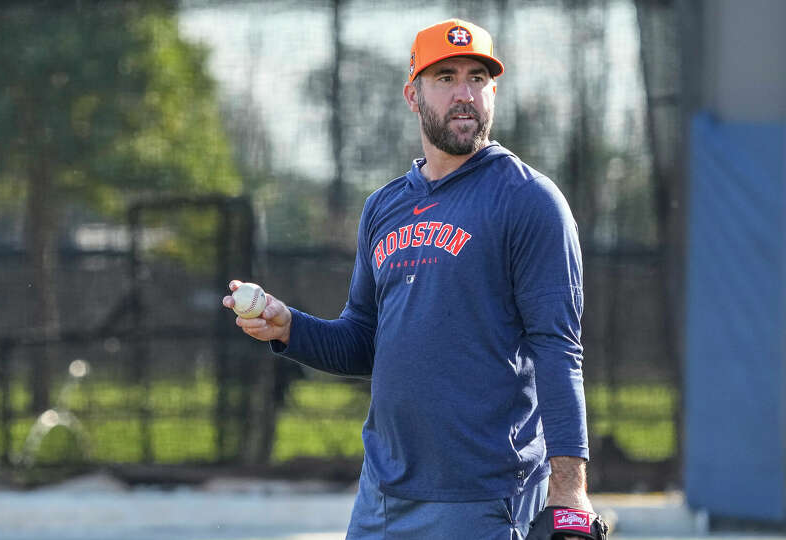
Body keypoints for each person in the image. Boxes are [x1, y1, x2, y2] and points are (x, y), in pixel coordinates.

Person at [223, 18, 606, 540]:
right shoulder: (384, 206)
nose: (464, 93)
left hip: (482, 498)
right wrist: (289, 327)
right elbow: (363, 342)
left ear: (494, 90)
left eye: (478, 78)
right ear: (413, 94)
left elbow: (558, 350)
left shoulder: (530, 201)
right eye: (445, 78)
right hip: (381, 495)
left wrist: (569, 491)